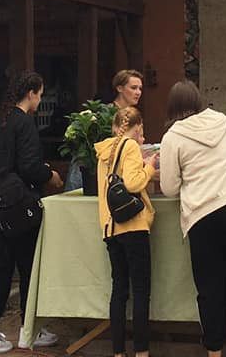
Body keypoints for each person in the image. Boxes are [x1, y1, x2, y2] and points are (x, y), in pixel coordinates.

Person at [160, 80, 226, 357]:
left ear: (172, 106)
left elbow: (169, 187)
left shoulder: (172, 137)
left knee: (210, 289)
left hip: (204, 214)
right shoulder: (219, 120)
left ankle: (214, 352)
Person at [0, 72, 64, 357]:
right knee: (28, 267)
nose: (40, 100)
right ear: (31, 93)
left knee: (0, 266)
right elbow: (29, 166)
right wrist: (49, 175)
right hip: (19, 206)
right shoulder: (24, 123)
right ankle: (29, 331)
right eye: (40, 94)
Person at [94, 106, 158, 357]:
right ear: (137, 128)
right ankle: (141, 351)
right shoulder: (130, 146)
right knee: (141, 292)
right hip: (133, 225)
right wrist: (149, 166)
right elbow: (133, 183)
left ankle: (118, 351)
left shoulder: (104, 152)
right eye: (141, 132)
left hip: (110, 228)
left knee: (119, 291)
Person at [66, 69, 145, 191]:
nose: (138, 92)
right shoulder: (105, 114)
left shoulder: (133, 115)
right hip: (97, 173)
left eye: (140, 88)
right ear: (120, 88)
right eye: (133, 88)